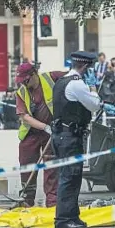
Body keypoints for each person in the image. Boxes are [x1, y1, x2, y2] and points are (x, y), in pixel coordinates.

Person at [51, 51, 115, 228]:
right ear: (84, 67)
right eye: (89, 69)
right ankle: (63, 220)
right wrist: (92, 88)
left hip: (62, 135)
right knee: (70, 178)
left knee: (72, 177)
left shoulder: (61, 81)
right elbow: (93, 104)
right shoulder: (77, 84)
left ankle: (72, 216)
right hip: (70, 137)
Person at [15, 62, 67, 207]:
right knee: (27, 167)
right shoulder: (22, 92)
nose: (24, 84)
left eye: (26, 80)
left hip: (51, 134)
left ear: (34, 75)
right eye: (21, 82)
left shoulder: (52, 77)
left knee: (51, 168)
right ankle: (26, 200)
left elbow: (72, 76)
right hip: (31, 134)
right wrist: (45, 127)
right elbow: (24, 116)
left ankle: (52, 202)